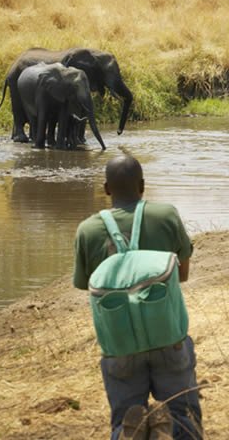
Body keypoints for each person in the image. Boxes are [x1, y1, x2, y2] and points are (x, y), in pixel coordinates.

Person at [74, 155, 201, 440]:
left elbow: (87, 285)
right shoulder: (166, 215)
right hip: (168, 333)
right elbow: (182, 275)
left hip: (119, 342)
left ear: (106, 189)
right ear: (143, 185)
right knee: (183, 414)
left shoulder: (88, 230)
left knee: (123, 417)